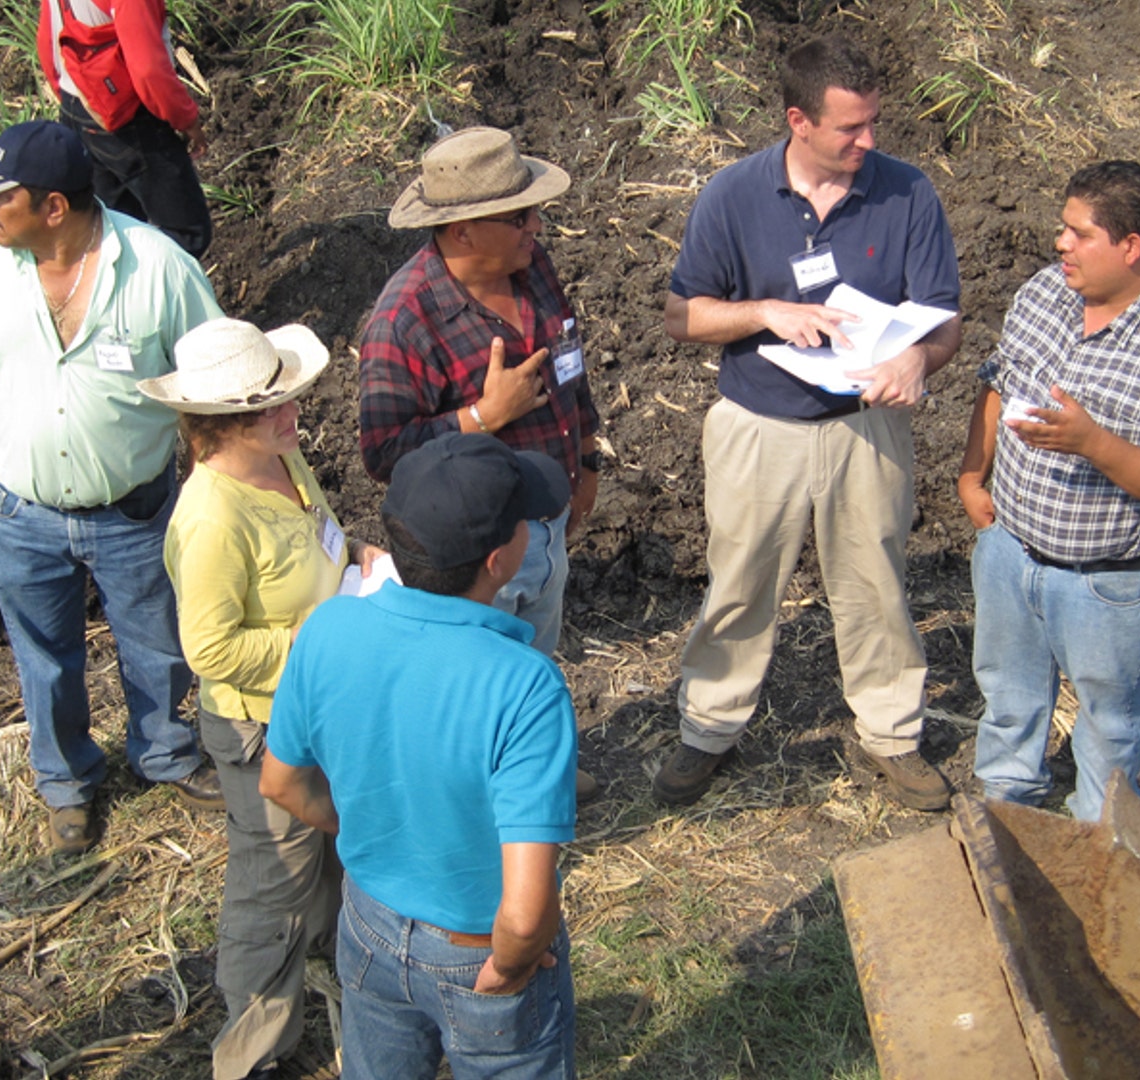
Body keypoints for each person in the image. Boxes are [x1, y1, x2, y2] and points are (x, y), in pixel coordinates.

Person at [656, 34, 962, 810]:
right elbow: (680, 315)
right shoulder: (733, 195)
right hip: (759, 426)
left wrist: (917, 363)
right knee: (740, 581)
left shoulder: (907, 193)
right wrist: (765, 312)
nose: (868, 142)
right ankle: (709, 728)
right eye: (849, 129)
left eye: (873, 125)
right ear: (798, 120)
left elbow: (945, 322)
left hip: (869, 427)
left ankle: (892, 734)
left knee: (875, 584)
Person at [0, 119, 225, 856]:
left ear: (54, 207)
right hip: (19, 512)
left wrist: (216, 486)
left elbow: (209, 387)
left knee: (158, 640)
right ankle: (67, 781)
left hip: (135, 511)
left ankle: (165, 752)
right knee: (43, 655)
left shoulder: (159, 269)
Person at [262, 433, 577, 1080]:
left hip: (369, 924)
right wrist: (510, 966)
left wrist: (373, 833)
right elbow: (521, 916)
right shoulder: (525, 686)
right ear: (500, 560)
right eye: (524, 520)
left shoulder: (327, 626)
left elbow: (282, 783)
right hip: (478, 954)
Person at [958, 161, 1140, 822]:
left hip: (1106, 583)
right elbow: (998, 383)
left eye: (1079, 233)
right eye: (1064, 228)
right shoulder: (1043, 293)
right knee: (1008, 695)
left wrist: (1095, 444)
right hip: (1010, 552)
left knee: (1110, 719)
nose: (1061, 244)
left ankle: (1100, 832)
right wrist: (973, 473)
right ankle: (1006, 807)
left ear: (1131, 246)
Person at [144, 318, 357, 1080]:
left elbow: (323, 537)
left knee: (328, 843)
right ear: (221, 425)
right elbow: (211, 650)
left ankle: (333, 967)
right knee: (275, 876)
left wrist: (363, 558)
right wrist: (312, 639)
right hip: (263, 722)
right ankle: (251, 1051)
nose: (293, 412)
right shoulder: (210, 518)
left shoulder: (284, 456)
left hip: (321, 701)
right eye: (273, 405)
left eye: (289, 397)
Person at [359, 127, 598, 660]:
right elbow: (383, 453)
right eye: (518, 217)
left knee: (534, 668)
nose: (535, 225)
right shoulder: (403, 322)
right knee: (479, 685)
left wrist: (586, 464)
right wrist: (482, 417)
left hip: (550, 525)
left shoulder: (531, 264)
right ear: (463, 233)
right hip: (478, 562)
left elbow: (568, 364)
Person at [39, 0, 212, 256]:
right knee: (186, 233)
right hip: (126, 119)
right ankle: (165, 292)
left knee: (117, 232)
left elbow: (47, 41)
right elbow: (148, 70)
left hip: (76, 106)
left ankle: (129, 292)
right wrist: (185, 118)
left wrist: (73, 103)